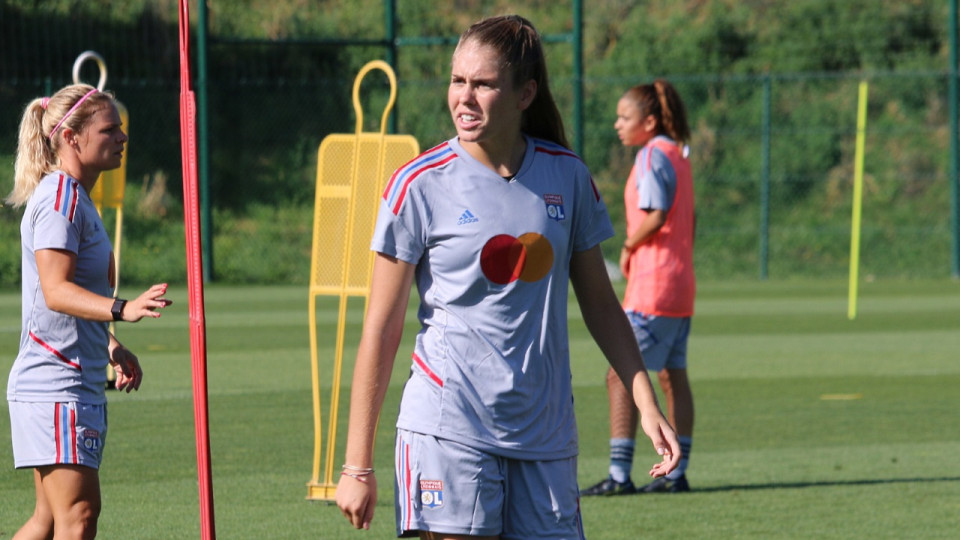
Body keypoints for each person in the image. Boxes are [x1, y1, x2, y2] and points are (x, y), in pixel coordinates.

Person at [335, 15, 680, 539]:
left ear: (525, 94)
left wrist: (644, 398)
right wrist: (356, 466)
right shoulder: (418, 185)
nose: (464, 98)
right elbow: (380, 330)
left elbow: (602, 306)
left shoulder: (567, 176)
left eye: (483, 84)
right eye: (457, 81)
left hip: (545, 434)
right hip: (447, 426)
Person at [6, 83, 172, 539]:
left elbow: (67, 298)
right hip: (55, 384)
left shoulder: (77, 197)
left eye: (120, 128)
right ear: (71, 138)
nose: (122, 137)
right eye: (109, 129)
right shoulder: (60, 198)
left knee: (49, 520)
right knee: (77, 515)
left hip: (69, 382)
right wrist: (123, 309)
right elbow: (55, 290)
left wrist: (112, 346)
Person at [580, 80, 696, 496]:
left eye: (624, 117)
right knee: (672, 376)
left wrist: (629, 245)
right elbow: (689, 220)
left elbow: (657, 213)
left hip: (654, 285)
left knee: (620, 374)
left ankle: (618, 475)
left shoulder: (650, 156)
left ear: (648, 122)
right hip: (681, 283)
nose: (617, 125)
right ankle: (677, 473)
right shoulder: (679, 154)